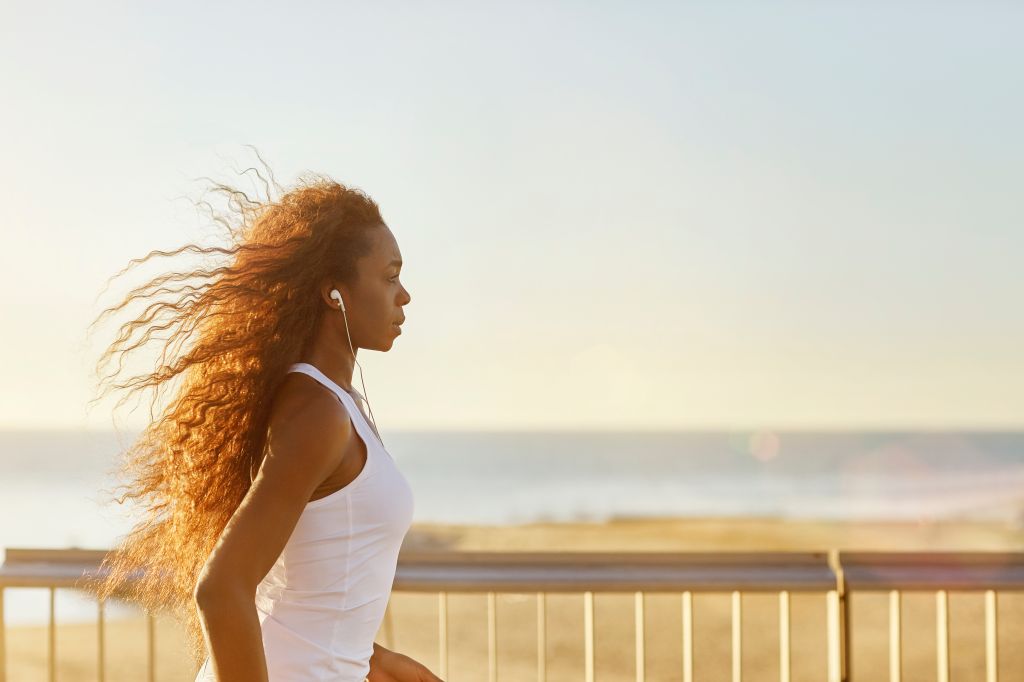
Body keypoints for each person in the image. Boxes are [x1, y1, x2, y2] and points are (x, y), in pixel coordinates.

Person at [79, 162, 442, 681]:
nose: (403, 295)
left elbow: (315, 588)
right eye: (389, 277)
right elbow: (221, 589)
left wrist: (374, 660)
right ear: (333, 291)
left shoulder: (339, 404)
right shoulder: (316, 410)